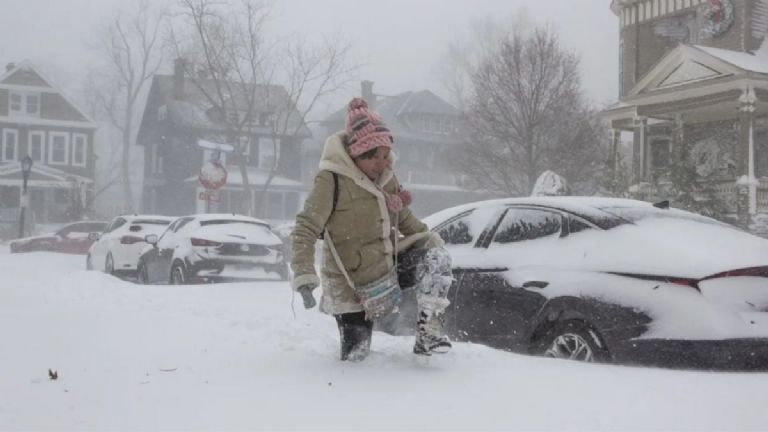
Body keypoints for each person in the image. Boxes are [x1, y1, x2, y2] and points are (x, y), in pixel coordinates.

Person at [290, 98, 453, 361]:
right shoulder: (331, 179)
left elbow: (404, 219)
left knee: (436, 258)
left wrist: (434, 241)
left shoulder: (387, 178)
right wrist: (305, 276)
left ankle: (429, 333)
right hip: (350, 282)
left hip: (387, 268)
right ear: (356, 154)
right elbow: (305, 228)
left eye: (385, 154)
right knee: (357, 357)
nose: (382, 163)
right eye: (373, 157)